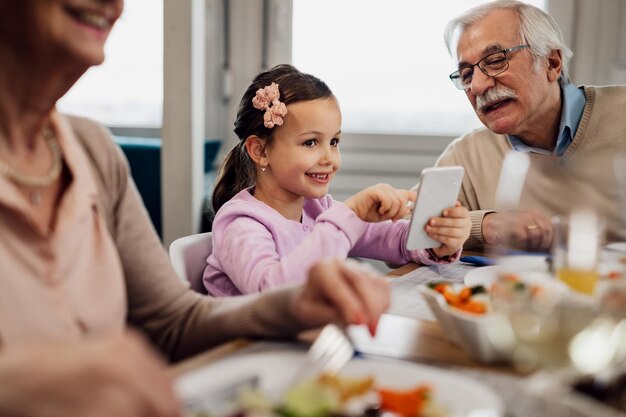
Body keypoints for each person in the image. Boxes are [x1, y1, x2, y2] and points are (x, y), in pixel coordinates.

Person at [0, 1, 391, 415]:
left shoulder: (95, 151)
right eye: (312, 142)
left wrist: (294, 304)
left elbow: (175, 322)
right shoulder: (244, 217)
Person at [203, 64, 471, 296]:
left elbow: (393, 240)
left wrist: (435, 237)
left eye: (334, 142)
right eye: (310, 142)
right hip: (246, 352)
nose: (329, 158)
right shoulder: (241, 223)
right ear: (260, 151)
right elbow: (274, 291)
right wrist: (350, 214)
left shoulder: (316, 209)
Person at [436, 0, 626, 251]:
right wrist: (485, 226)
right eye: (466, 75)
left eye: (495, 60)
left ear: (551, 63)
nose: (478, 86)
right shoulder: (467, 155)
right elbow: (404, 235)